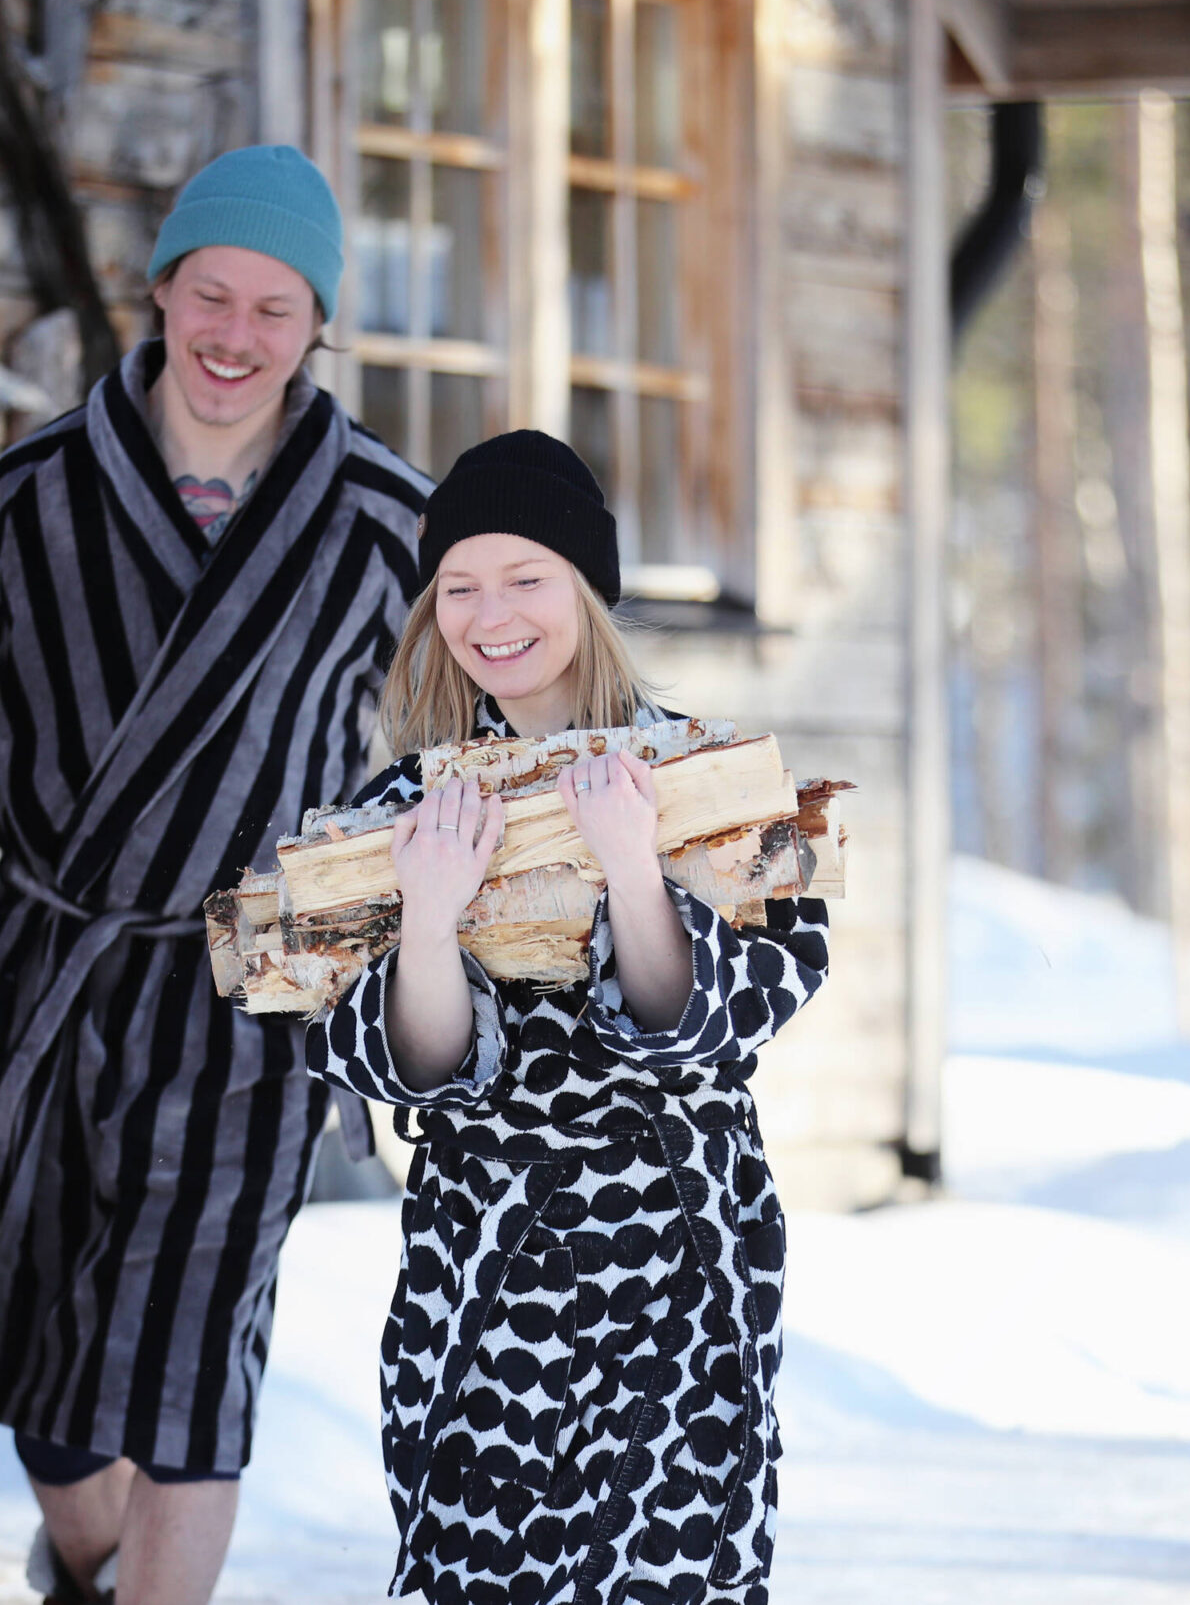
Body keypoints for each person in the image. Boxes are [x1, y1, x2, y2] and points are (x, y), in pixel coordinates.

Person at [0, 145, 427, 1605]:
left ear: (318, 330)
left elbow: (463, 730)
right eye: (213, 295)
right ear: (163, 290)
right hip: (59, 978)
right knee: (53, 1389)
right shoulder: (32, 495)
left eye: (276, 309)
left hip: (258, 993)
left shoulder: (382, 523)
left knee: (192, 1362)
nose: (236, 336)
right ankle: (93, 1570)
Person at [302, 431, 830, 1605]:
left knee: (668, 1576)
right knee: (480, 1572)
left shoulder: (706, 782)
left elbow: (723, 1020)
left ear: (586, 590)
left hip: (677, 1259)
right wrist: (428, 916)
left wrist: (634, 872)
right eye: (459, 585)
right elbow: (413, 1069)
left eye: (525, 576)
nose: (490, 613)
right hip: (488, 1255)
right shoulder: (397, 813)